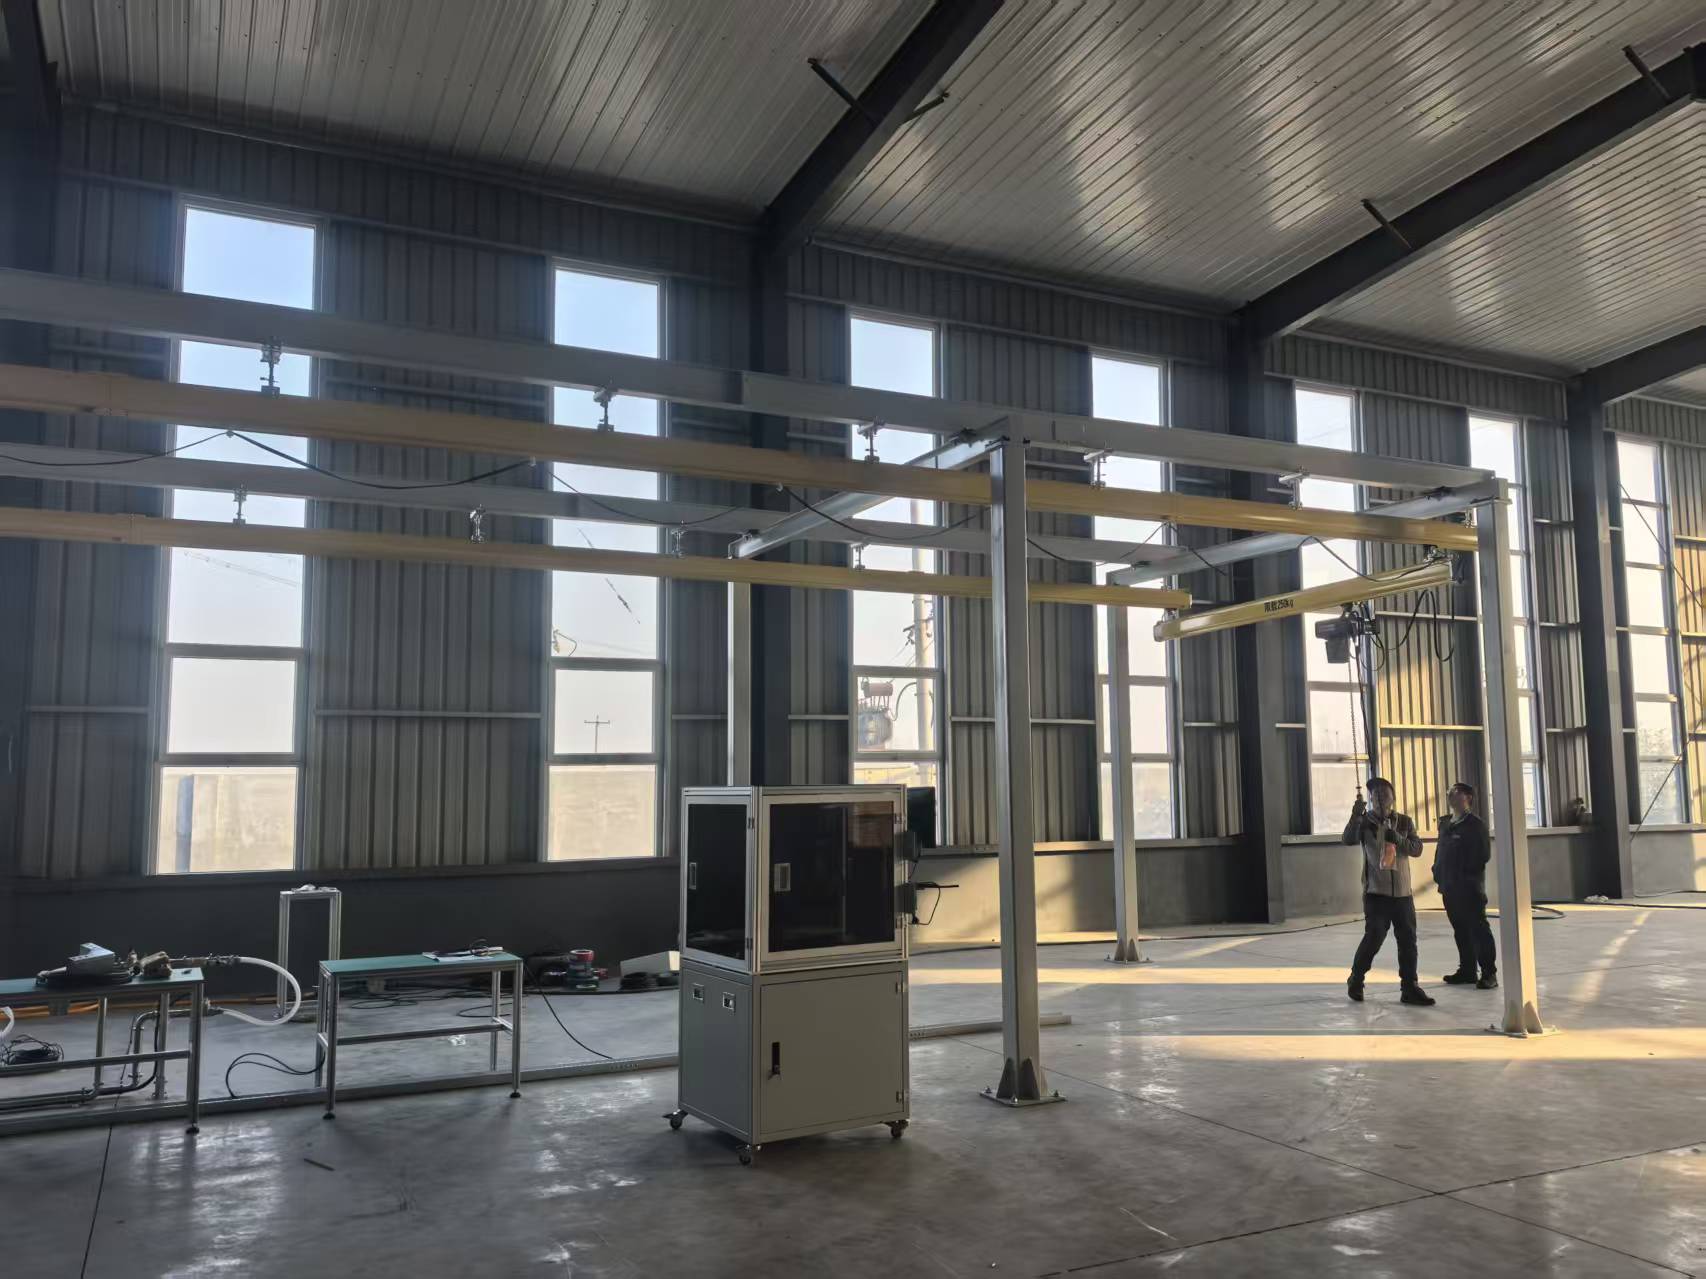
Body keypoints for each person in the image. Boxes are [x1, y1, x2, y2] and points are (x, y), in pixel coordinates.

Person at [1343, 777, 1435, 1006]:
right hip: (1376, 893)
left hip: (1403, 894)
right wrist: (1355, 816)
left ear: (1393, 798)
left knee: (1408, 941)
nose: (1380, 798)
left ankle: (1410, 987)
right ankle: (1356, 978)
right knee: (1374, 938)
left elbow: (1417, 849)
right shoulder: (1364, 822)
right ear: (1370, 799)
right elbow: (1348, 839)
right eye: (1375, 795)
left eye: (1384, 794)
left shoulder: (1404, 821)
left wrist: (1400, 840)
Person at [1433, 781, 1496, 989]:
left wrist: (1464, 874)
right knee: (1460, 929)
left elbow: (1483, 855)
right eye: (1450, 792)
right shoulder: (1446, 823)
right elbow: (1440, 850)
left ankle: (1489, 973)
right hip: (1449, 886)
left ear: (1468, 798)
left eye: (1457, 792)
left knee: (1478, 929)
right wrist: (1437, 870)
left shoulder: (1475, 825)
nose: (1451, 795)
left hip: (1469, 887)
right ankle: (1467, 970)